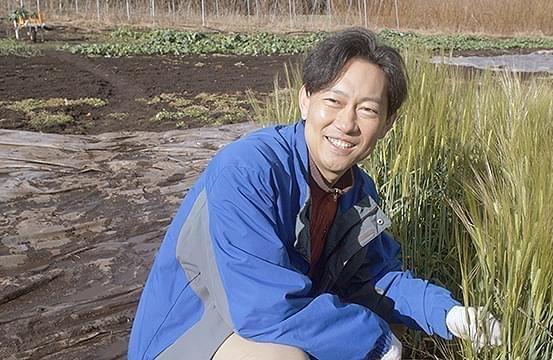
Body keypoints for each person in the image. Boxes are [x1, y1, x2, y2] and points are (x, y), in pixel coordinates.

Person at [128, 28, 501, 360]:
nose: (347, 123)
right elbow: (267, 310)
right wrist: (376, 342)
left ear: (387, 123)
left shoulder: (356, 190)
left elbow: (377, 280)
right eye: (333, 101)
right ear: (306, 99)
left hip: (258, 327)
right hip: (190, 336)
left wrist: (449, 314)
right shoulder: (248, 171)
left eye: (368, 110)